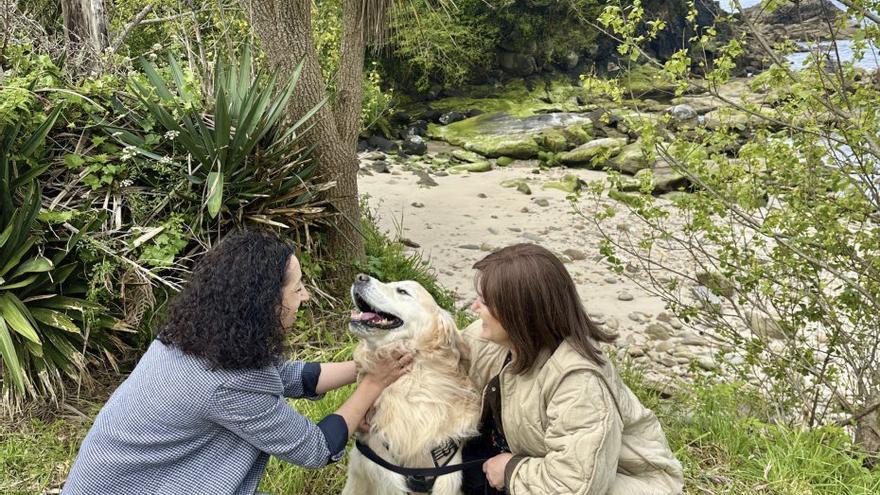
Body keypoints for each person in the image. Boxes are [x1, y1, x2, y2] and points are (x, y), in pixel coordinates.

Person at [63, 230, 412, 495]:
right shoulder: (224, 385)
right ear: (264, 303)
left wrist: (364, 369)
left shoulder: (195, 337)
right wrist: (372, 385)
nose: (305, 296)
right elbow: (315, 448)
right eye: (297, 289)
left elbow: (287, 376)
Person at [460, 243, 684, 495]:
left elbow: (574, 485)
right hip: (527, 458)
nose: (474, 308)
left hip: (616, 483)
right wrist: (406, 365)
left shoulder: (578, 382)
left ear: (519, 313)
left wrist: (511, 470)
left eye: (485, 301)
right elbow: (439, 354)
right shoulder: (495, 341)